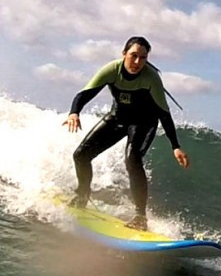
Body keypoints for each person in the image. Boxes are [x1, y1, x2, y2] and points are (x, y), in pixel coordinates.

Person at [64, 36, 189, 230]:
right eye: (133, 56)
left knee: (132, 160)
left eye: (143, 57)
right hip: (117, 118)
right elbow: (85, 93)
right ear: (124, 54)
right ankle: (82, 195)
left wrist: (176, 146)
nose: (138, 62)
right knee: (80, 155)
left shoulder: (151, 78)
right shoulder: (112, 70)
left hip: (144, 123)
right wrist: (74, 113)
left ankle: (140, 217)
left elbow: (164, 113)